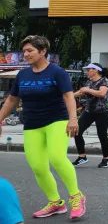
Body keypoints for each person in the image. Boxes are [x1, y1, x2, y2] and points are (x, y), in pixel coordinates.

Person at [0, 35, 87, 219]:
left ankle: (76, 196)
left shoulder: (57, 72)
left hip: (57, 120)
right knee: (38, 167)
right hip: (32, 124)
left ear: (43, 51)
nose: (26, 54)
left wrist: (73, 119)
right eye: (24, 51)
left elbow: (68, 96)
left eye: (30, 50)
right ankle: (55, 202)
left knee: (56, 157)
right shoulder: (22, 75)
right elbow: (12, 100)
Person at [73, 62, 108, 168]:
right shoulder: (89, 82)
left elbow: (101, 93)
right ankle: (82, 157)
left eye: (88, 70)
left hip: (102, 112)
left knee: (102, 136)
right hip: (89, 112)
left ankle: (106, 159)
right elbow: (80, 93)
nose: (87, 72)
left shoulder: (104, 81)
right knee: (77, 131)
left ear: (95, 70)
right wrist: (69, 96)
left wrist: (87, 90)